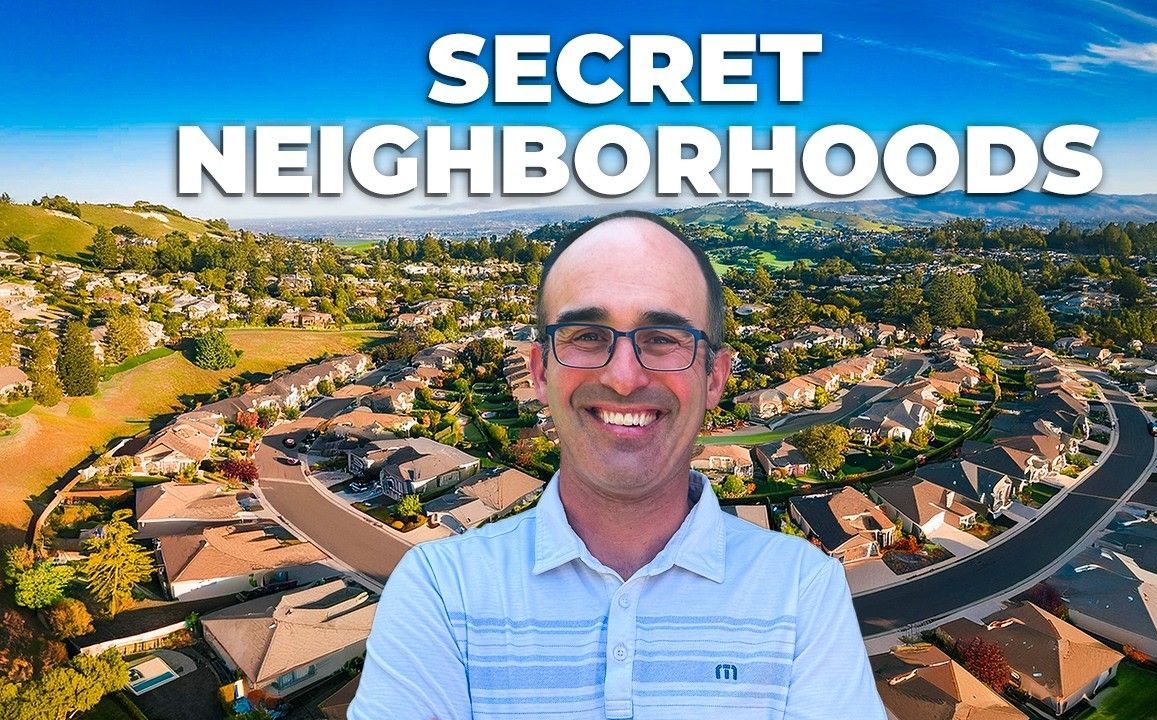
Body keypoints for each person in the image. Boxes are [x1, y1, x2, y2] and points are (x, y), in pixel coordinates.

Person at [350, 211, 886, 719]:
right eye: (586, 336)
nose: (624, 376)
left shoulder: (804, 591)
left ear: (714, 378)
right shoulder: (441, 590)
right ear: (539, 371)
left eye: (662, 338)